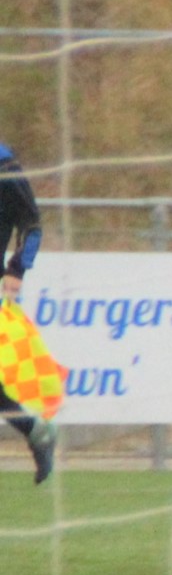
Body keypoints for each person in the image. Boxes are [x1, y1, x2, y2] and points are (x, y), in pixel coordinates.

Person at [0, 141, 55, 484]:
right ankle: (36, 431)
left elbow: (31, 223)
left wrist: (18, 268)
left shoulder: (3, 165)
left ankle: (37, 431)